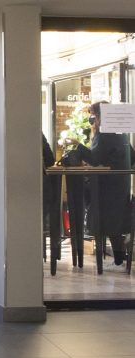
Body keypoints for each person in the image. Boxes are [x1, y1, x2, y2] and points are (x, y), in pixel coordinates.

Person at [65, 101, 131, 271]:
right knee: (114, 222)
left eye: (93, 116)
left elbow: (94, 158)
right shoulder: (122, 135)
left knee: (100, 216)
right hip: (121, 186)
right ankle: (118, 257)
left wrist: (77, 144)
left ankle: (114, 256)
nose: (92, 120)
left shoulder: (103, 135)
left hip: (104, 188)